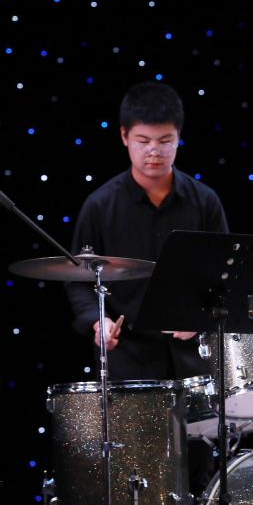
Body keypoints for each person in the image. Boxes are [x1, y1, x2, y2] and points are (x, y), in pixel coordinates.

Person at [65, 80, 228, 380]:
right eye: (143, 140)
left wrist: (200, 315)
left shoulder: (205, 201)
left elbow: (223, 272)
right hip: (128, 356)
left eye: (165, 140)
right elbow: (78, 279)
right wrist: (98, 321)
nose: (154, 151)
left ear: (179, 137)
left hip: (195, 356)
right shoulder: (99, 205)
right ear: (124, 136)